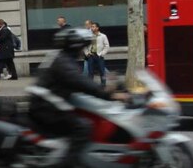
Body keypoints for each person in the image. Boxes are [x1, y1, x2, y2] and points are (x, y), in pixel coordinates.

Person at [30, 27, 127, 168]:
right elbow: (82, 83)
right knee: (84, 127)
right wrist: (109, 94)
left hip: (45, 103)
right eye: (83, 46)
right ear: (75, 47)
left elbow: (78, 83)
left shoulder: (60, 57)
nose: (83, 50)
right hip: (46, 108)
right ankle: (68, 163)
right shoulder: (64, 63)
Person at [86, 22, 110, 86]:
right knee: (90, 72)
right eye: (91, 27)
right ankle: (90, 86)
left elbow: (107, 46)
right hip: (91, 55)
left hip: (99, 56)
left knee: (102, 72)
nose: (92, 28)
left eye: (93, 27)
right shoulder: (89, 36)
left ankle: (103, 85)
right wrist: (87, 53)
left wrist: (102, 54)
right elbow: (85, 45)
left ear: (97, 28)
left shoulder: (103, 36)